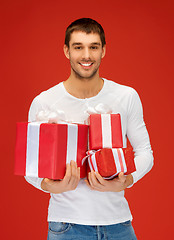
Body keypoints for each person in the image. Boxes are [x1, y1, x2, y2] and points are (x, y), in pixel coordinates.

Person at [25, 18, 154, 240]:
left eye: (93, 47)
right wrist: (50, 186)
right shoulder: (44, 102)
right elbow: (31, 168)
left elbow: (146, 153)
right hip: (66, 226)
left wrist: (127, 180)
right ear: (66, 51)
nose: (86, 55)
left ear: (103, 50)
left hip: (119, 224)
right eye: (78, 47)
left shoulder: (126, 96)